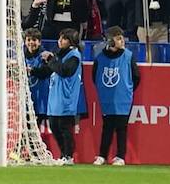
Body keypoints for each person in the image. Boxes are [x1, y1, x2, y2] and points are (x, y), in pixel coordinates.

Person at [92, 26, 138, 166]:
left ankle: (120, 156)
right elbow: (95, 77)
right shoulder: (100, 58)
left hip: (123, 99)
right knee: (107, 127)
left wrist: (128, 90)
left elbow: (136, 76)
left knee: (121, 127)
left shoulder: (128, 56)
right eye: (118, 38)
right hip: (107, 99)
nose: (122, 41)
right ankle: (102, 155)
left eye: (122, 37)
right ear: (110, 41)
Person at [42, 27, 83, 164]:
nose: (60, 41)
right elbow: (48, 71)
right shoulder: (58, 55)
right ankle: (63, 154)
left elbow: (64, 71)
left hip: (66, 98)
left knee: (64, 128)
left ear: (71, 42)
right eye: (60, 38)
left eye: (64, 38)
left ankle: (68, 156)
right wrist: (33, 71)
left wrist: (51, 60)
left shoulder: (74, 56)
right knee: (54, 126)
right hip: (54, 98)